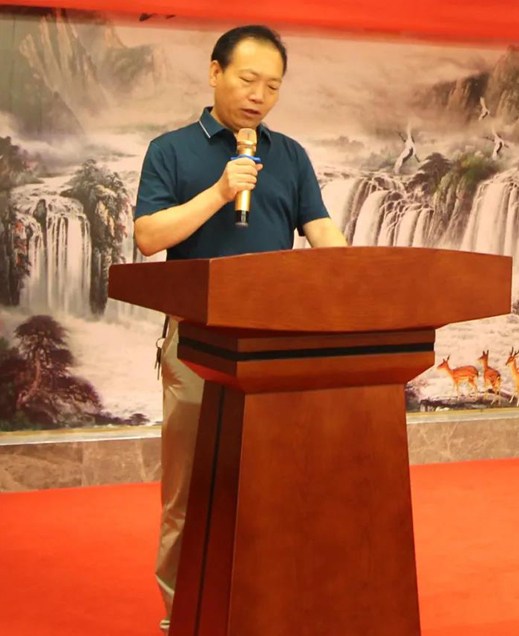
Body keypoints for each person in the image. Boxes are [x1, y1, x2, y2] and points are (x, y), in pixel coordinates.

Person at [133, 24, 347, 633]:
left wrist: (359, 279)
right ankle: (182, 616)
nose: (259, 96)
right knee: (189, 492)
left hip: (276, 346)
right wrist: (221, 191)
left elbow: (321, 230)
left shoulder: (291, 155)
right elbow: (148, 238)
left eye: (272, 86)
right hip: (197, 343)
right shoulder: (171, 150)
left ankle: (267, 605)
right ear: (215, 73)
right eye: (248, 80)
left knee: (275, 485)